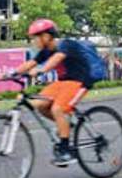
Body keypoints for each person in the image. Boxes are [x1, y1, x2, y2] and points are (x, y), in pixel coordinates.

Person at [12, 19, 97, 167]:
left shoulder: (66, 45)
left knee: (57, 109)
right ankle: (65, 127)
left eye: (36, 37)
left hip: (80, 82)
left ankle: (65, 151)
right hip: (63, 83)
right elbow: (31, 63)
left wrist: (41, 70)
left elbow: (56, 59)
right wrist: (12, 73)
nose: (34, 41)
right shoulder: (46, 51)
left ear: (47, 36)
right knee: (39, 104)